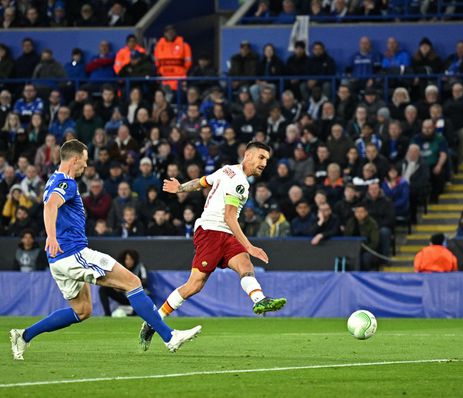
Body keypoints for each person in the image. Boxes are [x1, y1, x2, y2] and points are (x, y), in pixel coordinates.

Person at [9, 140, 201, 361]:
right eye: (85, 159)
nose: (86, 164)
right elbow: (51, 205)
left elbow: (51, 205)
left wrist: (53, 238)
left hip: (57, 260)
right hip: (73, 253)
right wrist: (51, 236)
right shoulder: (66, 183)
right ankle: (169, 337)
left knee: (82, 310)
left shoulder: (53, 179)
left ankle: (24, 336)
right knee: (133, 282)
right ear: (75, 159)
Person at [138, 142, 286, 351]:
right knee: (194, 285)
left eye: (267, 160)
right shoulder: (240, 183)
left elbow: (201, 182)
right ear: (248, 155)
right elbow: (229, 216)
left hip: (226, 234)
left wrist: (180, 187)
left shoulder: (227, 170)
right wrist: (250, 245)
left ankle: (259, 300)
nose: (264, 163)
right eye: (261, 157)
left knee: (245, 265)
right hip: (211, 232)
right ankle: (154, 321)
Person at [99, 249, 148, 316]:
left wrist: (130, 287)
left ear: (134, 260)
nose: (128, 262)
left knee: (144, 292)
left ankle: (135, 314)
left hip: (134, 295)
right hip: (122, 295)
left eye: (131, 259)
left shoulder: (140, 267)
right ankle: (107, 314)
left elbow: (145, 282)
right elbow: (114, 280)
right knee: (103, 289)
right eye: (127, 259)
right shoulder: (120, 267)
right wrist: (116, 287)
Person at [154, 25, 192, 91]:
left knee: (180, 98)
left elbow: (188, 63)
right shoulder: (159, 46)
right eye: (168, 32)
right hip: (164, 79)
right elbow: (156, 62)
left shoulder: (184, 45)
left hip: (179, 79)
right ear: (164, 34)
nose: (170, 34)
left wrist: (181, 73)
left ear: (175, 33)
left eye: (172, 32)